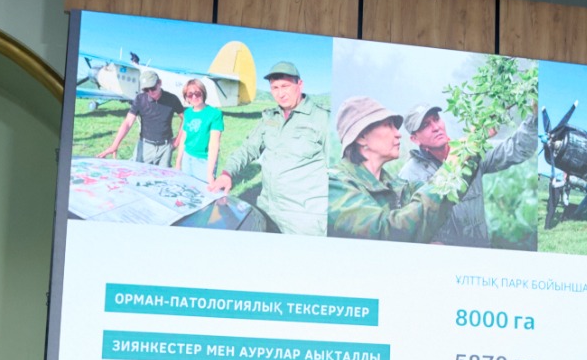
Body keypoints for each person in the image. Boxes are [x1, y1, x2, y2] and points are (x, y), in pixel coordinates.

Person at [212, 61, 335, 235]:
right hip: (267, 209)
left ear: (299, 84)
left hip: (303, 218)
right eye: (275, 88)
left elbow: (342, 171)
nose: (280, 93)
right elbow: (248, 148)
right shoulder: (270, 118)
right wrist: (227, 173)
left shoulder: (323, 120)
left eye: (285, 86)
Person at [327, 96, 471, 242]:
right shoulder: (333, 185)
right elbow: (385, 232)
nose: (398, 134)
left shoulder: (399, 187)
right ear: (362, 137)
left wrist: (471, 146)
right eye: (388, 125)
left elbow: (444, 196)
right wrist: (449, 169)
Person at [396, 103, 537, 247]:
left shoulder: (470, 152)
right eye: (425, 125)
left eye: (436, 119)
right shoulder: (409, 174)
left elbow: (518, 148)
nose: (435, 127)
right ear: (415, 139)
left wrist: (534, 117)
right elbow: (403, 230)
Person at [99, 69, 183, 167]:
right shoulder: (140, 99)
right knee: (138, 173)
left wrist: (177, 141)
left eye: (152, 88)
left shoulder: (172, 99)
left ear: (159, 83)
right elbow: (128, 122)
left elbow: (185, 119)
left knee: (163, 176)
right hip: (145, 146)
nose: (150, 92)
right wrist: (114, 145)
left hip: (165, 147)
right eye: (146, 90)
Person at [176, 78, 224, 185]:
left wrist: (210, 173)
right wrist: (178, 162)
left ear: (203, 93)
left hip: (204, 161)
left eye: (197, 93)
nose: (194, 97)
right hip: (187, 158)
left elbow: (214, 145)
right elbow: (184, 137)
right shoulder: (187, 113)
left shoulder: (215, 114)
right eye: (190, 94)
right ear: (186, 98)